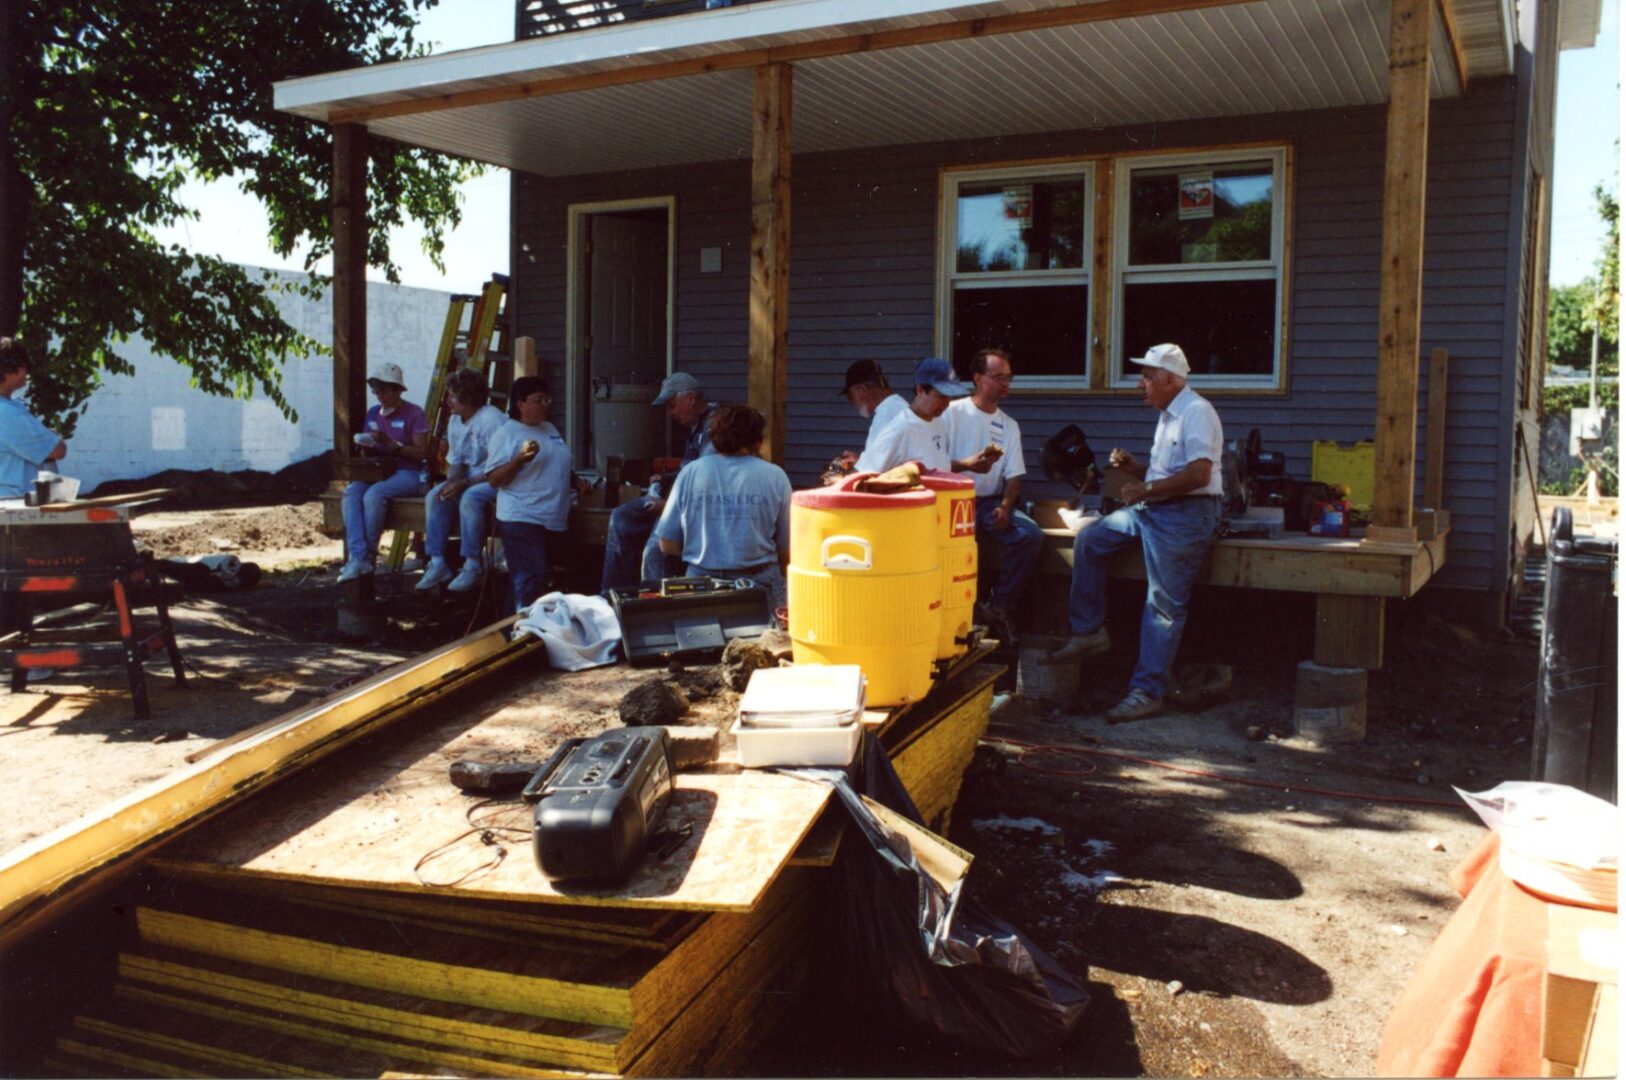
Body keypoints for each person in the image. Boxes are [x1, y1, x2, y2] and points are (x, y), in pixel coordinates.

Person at [1047, 344, 1224, 722]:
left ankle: (1148, 691)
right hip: (1157, 509)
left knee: (1162, 605)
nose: (1141, 384)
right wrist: (1136, 470)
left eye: (1147, 377)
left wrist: (1147, 490)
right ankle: (1089, 631)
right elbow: (1168, 477)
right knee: (1092, 539)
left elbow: (1199, 476)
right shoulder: (1168, 414)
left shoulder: (1196, 412)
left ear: (1171, 380)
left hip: (1187, 516)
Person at [945, 347, 1043, 638]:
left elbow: (1014, 475)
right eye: (997, 377)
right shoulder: (952, 413)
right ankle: (958, 615)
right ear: (977, 378)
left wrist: (1004, 505)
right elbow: (932, 464)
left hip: (988, 503)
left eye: (1008, 378)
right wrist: (966, 466)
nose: (1004, 383)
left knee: (1030, 535)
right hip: (951, 502)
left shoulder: (1009, 425)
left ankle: (999, 606)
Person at [654, 404, 793, 608]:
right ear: (759, 441)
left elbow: (667, 544)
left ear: (714, 437)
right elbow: (787, 549)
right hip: (760, 585)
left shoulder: (690, 473)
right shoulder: (775, 476)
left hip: (700, 585)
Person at [600, 371, 715, 593]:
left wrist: (669, 508)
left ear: (690, 398)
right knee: (622, 517)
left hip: (695, 508)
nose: (670, 413)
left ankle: (655, 613)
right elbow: (688, 470)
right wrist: (665, 479)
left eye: (672, 405)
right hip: (675, 500)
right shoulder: (694, 427)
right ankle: (613, 595)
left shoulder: (714, 426)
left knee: (655, 551)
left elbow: (707, 479)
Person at [484, 376, 573, 613]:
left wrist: (576, 480)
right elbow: (494, 480)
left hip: (553, 517)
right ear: (520, 403)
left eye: (547, 399)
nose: (545, 404)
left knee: (534, 583)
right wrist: (519, 460)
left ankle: (512, 634)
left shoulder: (550, 428)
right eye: (538, 400)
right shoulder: (507, 433)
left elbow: (556, 461)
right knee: (531, 579)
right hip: (522, 516)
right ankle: (520, 637)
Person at [338, 362, 430, 582]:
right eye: (377, 390)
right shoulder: (372, 413)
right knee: (351, 493)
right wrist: (364, 447)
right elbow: (366, 453)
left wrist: (393, 444)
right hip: (378, 471)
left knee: (374, 495)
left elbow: (421, 454)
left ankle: (367, 556)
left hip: (408, 472)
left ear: (398, 390)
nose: (380, 395)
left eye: (385, 390)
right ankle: (357, 556)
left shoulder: (414, 413)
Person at [418, 368, 508, 593]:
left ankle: (473, 563)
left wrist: (464, 485)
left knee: (470, 497)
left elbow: (501, 468)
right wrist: (450, 484)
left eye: (452, 396)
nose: (448, 401)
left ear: (468, 398)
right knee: (435, 496)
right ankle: (438, 562)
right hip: (471, 478)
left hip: (500, 479)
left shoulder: (492, 419)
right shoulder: (456, 420)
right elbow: (456, 461)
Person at [853, 356, 969, 474]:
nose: (946, 403)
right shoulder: (899, 429)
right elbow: (864, 473)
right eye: (941, 396)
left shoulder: (939, 422)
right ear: (920, 390)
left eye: (950, 397)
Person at [0, 338, 67, 501]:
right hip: (12, 505)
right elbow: (57, 450)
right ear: (8, 370)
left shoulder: (11, 408)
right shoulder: (8, 413)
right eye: (23, 367)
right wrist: (48, 435)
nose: (26, 372)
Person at [821, 359, 908, 484]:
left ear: (862, 390)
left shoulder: (887, 416)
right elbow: (886, 460)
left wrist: (837, 482)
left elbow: (870, 473)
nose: (851, 403)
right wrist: (861, 460)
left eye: (850, 396)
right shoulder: (896, 407)